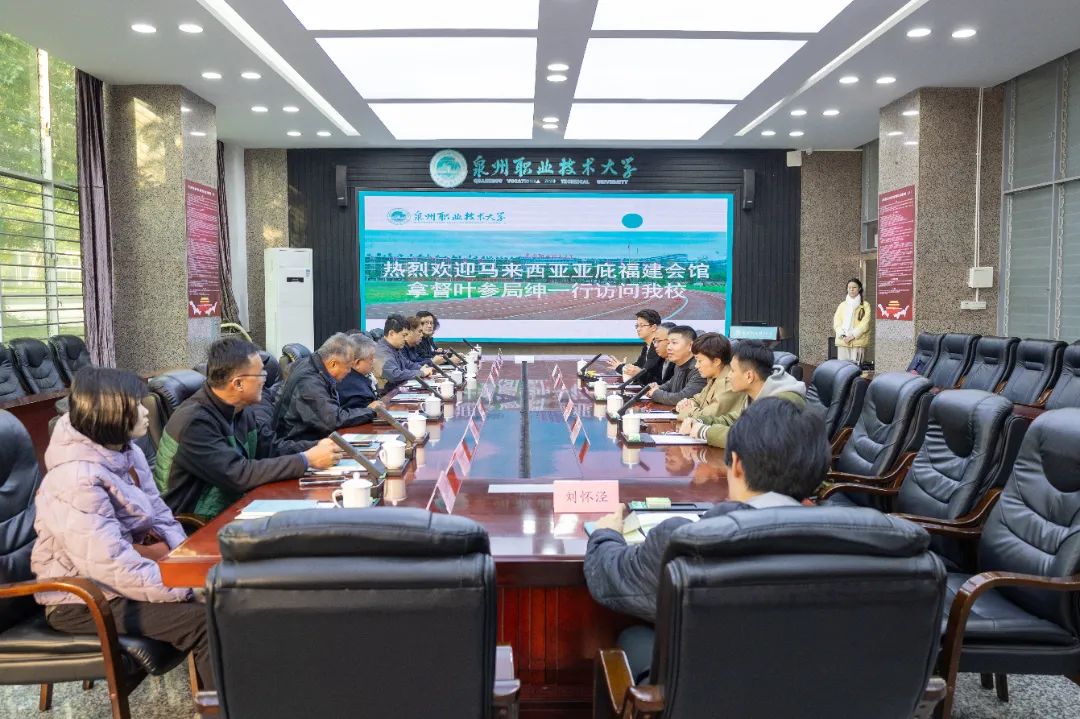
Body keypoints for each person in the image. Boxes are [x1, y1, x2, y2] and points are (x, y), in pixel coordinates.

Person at [584, 399, 829, 680]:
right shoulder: (853, 543)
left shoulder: (687, 542)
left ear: (737, 464)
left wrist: (607, 533)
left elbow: (609, 578)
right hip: (810, 686)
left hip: (712, 689)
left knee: (634, 637)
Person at [31, 367, 218, 692]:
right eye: (137, 405)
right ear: (108, 412)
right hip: (80, 599)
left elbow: (161, 516)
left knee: (224, 598)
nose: (146, 412)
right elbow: (109, 564)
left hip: (120, 581)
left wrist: (185, 565)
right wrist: (184, 588)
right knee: (207, 621)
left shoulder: (126, 452)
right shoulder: (75, 479)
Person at [157, 337, 341, 519]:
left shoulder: (240, 409)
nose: (264, 381)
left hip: (235, 505)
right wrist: (306, 459)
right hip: (195, 524)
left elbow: (270, 449)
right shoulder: (195, 422)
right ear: (238, 383)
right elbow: (237, 474)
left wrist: (320, 447)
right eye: (260, 375)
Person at [680, 340, 806, 448]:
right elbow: (735, 419)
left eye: (733, 371)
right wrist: (700, 421)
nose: (729, 376)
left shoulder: (785, 400)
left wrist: (705, 431)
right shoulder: (756, 394)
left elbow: (755, 439)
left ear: (749, 376)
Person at [273, 333, 380, 442]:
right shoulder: (309, 382)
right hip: (299, 443)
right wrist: (370, 411)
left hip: (313, 436)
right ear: (333, 364)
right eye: (348, 367)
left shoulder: (313, 365)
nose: (349, 372)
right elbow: (332, 420)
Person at [675, 333, 746, 420]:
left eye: (700, 361)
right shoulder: (714, 377)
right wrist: (686, 403)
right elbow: (698, 400)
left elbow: (708, 417)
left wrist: (687, 410)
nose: (696, 366)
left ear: (716, 361)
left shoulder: (730, 382)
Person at [646, 325, 705, 405]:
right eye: (668, 343)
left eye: (674, 343)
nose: (668, 348)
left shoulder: (699, 368)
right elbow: (670, 385)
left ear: (690, 346)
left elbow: (683, 398)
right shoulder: (678, 365)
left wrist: (656, 393)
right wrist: (657, 388)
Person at [374, 313, 434, 392]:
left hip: (397, 390)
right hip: (387, 395)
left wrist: (421, 368)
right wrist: (421, 373)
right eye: (404, 335)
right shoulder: (382, 352)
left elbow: (407, 364)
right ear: (391, 333)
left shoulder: (394, 348)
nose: (406, 339)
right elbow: (395, 375)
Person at [604, 309, 664, 384]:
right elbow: (639, 366)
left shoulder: (659, 348)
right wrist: (622, 367)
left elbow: (649, 374)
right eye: (637, 326)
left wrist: (622, 367)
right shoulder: (647, 346)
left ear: (653, 327)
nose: (638, 329)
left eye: (642, 325)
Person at [339, 331, 383, 412]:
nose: (374, 361)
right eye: (371, 358)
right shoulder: (357, 392)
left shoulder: (345, 376)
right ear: (357, 363)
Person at [833, 278, 872, 364]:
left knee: (856, 368)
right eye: (849, 287)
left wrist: (852, 336)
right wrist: (843, 336)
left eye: (854, 287)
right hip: (843, 341)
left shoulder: (865, 305)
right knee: (842, 367)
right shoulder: (842, 305)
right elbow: (837, 322)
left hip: (858, 341)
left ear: (859, 289)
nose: (851, 289)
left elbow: (865, 323)